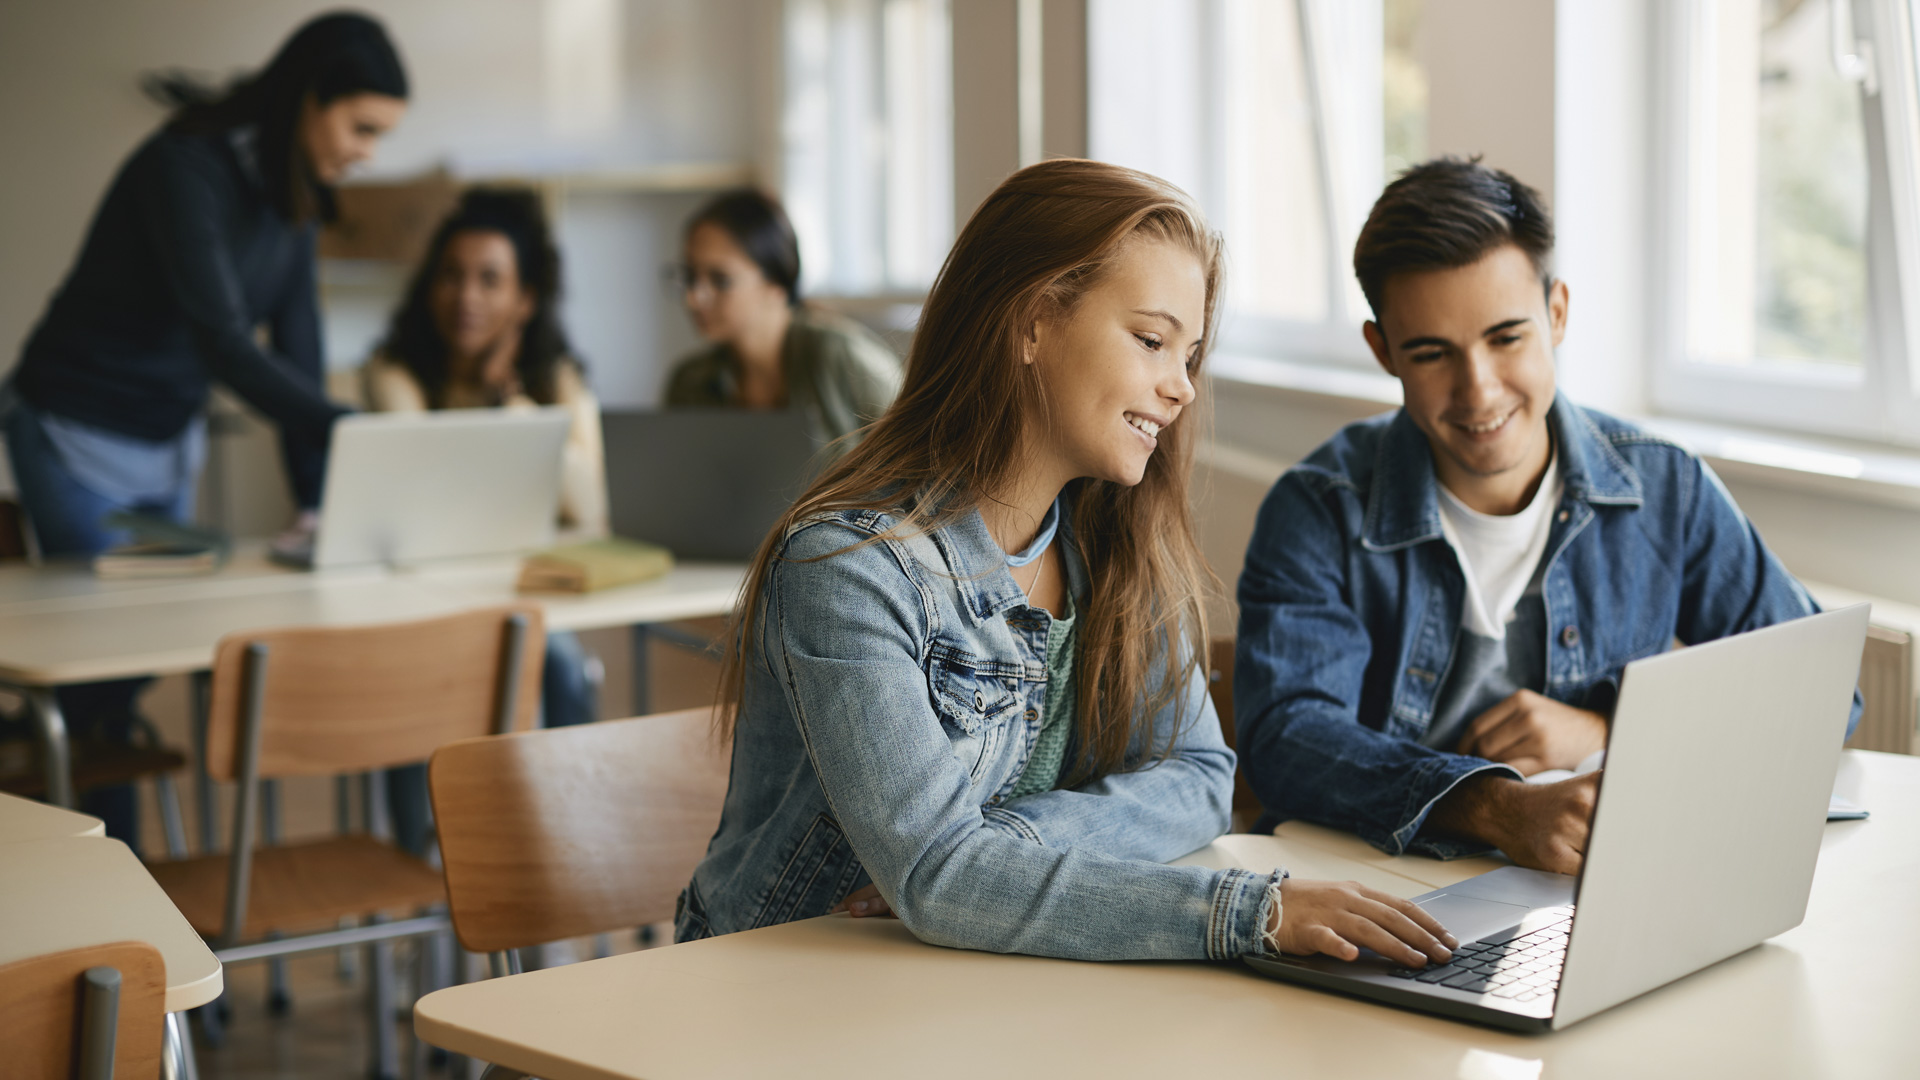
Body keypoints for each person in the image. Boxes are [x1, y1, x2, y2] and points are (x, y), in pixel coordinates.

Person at [677, 159, 1461, 971]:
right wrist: (1249, 912)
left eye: (1189, 355)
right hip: (785, 989)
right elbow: (940, 878)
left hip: (972, 985)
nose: (1182, 388)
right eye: (1153, 341)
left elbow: (1197, 778)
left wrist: (1014, 842)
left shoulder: (1113, 540)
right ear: (1032, 324)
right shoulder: (848, 569)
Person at [1233, 157, 1862, 875]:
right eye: (1432, 353)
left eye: (1507, 338)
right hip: (1372, 883)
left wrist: (1608, 729)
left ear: (1556, 313)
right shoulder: (1318, 508)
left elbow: (1823, 694)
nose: (1479, 390)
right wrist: (1496, 808)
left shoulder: (1665, 486)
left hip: (1587, 885)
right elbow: (1286, 740)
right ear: (1383, 352)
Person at [1, 12, 406, 847]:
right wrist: (355, 427)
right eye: (361, 127)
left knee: (128, 664)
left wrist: (318, 506)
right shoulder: (184, 167)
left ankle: (91, 866)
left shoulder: (295, 202)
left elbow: (299, 353)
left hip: (164, 444)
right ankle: (108, 894)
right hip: (70, 429)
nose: (369, 150)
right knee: (102, 669)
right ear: (307, 99)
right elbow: (222, 342)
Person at [361, 187, 605, 854]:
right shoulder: (394, 372)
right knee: (418, 679)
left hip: (521, 599)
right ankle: (422, 856)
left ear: (524, 301)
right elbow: (417, 484)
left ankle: (568, 841)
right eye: (451, 274)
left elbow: (590, 507)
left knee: (561, 664)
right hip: (418, 604)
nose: (465, 296)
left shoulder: (552, 380)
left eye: (489, 280)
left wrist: (514, 403)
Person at [663, 189, 902, 454]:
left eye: (720, 279)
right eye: (689, 276)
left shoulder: (844, 360)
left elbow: (920, 469)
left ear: (777, 282)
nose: (692, 298)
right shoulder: (689, 384)